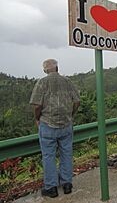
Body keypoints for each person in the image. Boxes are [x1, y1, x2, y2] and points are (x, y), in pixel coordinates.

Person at [30, 59, 80, 198]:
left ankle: (51, 188)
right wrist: (70, 115)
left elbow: (36, 105)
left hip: (47, 124)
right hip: (66, 124)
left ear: (45, 70)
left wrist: (37, 118)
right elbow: (77, 101)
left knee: (48, 156)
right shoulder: (67, 81)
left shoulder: (42, 82)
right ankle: (67, 184)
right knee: (66, 154)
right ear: (57, 68)